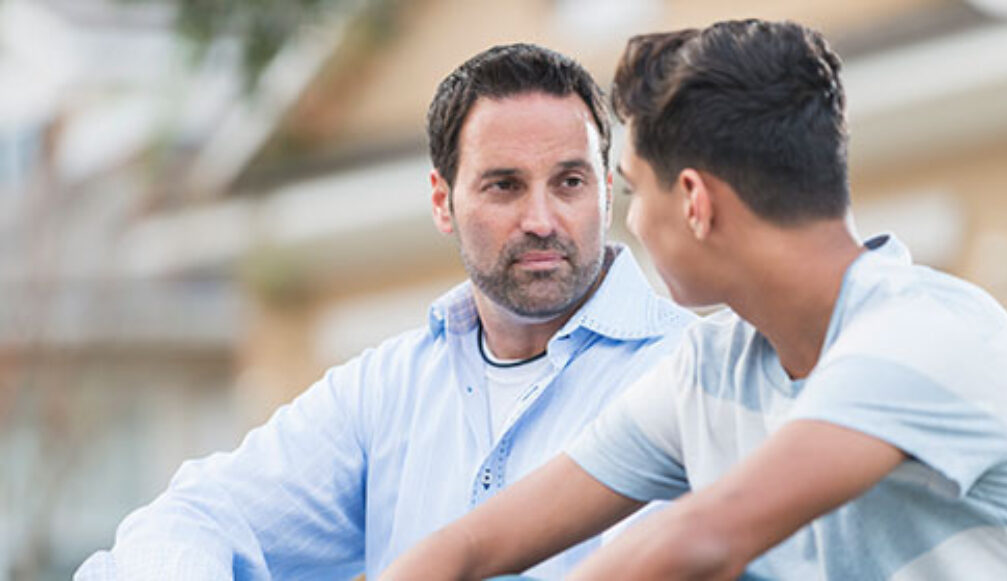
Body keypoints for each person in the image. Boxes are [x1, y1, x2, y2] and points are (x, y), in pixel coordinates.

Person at [381, 19, 1007, 580]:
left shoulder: (926, 335)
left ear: (693, 200)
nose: (625, 222)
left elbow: (700, 542)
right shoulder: (712, 370)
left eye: (630, 188)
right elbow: (474, 544)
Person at [75, 44, 695, 580]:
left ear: (607, 190)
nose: (542, 220)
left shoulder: (692, 373)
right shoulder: (387, 390)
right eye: (504, 185)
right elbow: (197, 518)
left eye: (569, 182)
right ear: (441, 201)